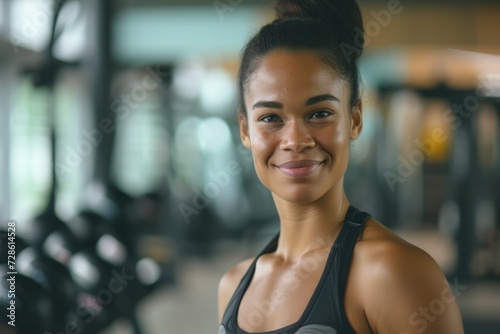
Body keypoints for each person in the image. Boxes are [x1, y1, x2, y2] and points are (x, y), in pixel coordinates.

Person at [218, 0, 464, 333]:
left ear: (355, 119)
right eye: (271, 118)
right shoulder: (233, 286)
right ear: (246, 130)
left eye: (319, 113)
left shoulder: (393, 273)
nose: (295, 140)